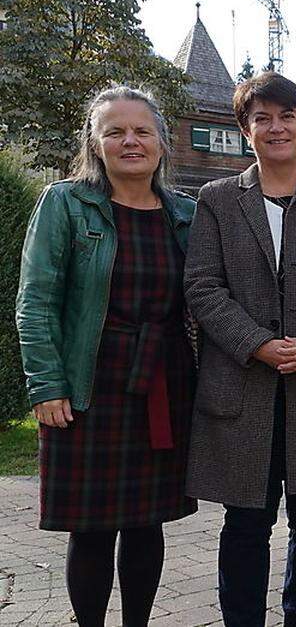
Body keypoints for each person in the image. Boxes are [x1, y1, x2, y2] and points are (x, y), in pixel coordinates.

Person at [183, 72, 296, 627]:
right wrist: (258, 343)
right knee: (245, 523)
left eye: (287, 116)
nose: (276, 127)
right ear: (246, 131)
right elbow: (202, 285)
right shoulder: (217, 200)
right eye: (261, 118)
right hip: (244, 389)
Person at [15, 85, 197, 626]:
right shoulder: (66, 203)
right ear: (95, 145)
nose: (130, 141)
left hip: (164, 383)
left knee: (148, 522)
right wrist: (46, 385)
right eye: (114, 131)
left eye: (142, 131)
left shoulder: (185, 213)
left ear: (163, 143)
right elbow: (36, 300)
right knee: (91, 527)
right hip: (87, 382)